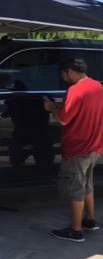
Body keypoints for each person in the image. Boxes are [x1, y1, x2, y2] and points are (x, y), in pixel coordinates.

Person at [44, 58, 103, 242]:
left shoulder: (75, 90)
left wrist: (52, 108)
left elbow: (63, 120)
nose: (63, 77)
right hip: (95, 146)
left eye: (63, 74)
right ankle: (90, 220)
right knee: (87, 184)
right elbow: (84, 111)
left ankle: (76, 231)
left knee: (76, 188)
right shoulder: (98, 86)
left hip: (77, 148)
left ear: (70, 71)